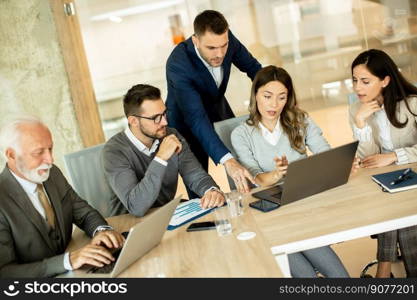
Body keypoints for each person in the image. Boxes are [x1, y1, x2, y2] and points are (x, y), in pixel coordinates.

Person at [231, 66, 349, 277]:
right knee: (307, 278)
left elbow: (324, 153)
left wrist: (342, 162)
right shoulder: (241, 134)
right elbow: (256, 177)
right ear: (255, 93)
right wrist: (277, 173)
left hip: (303, 208)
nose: (274, 105)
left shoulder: (300, 120)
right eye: (267, 96)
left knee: (340, 276)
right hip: (271, 217)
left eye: (281, 97)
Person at [0, 115, 125, 278]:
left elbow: (83, 212)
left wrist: (101, 230)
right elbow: (4, 272)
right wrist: (68, 261)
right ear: (11, 155)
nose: (50, 159)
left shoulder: (53, 174)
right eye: (39, 152)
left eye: (50, 149)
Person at [166, 10, 262, 195]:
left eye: (223, 46)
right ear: (196, 41)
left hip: (218, 109)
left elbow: (254, 69)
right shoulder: (178, 64)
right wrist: (227, 160)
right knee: (200, 184)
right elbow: (196, 118)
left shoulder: (226, 39)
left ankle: (251, 201)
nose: (220, 54)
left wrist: (275, 92)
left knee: (242, 162)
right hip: (186, 123)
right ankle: (207, 218)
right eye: (211, 48)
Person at [102, 84, 225, 217]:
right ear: (133, 121)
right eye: (156, 118)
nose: (165, 122)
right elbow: (136, 206)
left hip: (167, 216)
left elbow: (195, 175)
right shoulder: (114, 152)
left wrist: (211, 191)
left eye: (164, 114)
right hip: (130, 226)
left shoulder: (171, 135)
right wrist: (161, 158)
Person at [349, 49, 417, 278]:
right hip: (385, 179)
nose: (358, 88)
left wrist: (394, 156)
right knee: (389, 198)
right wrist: (361, 123)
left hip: (410, 173)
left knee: (395, 203)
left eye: (365, 81)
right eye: (355, 80)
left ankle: (384, 270)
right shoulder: (357, 110)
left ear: (385, 80)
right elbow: (367, 158)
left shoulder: (412, 104)